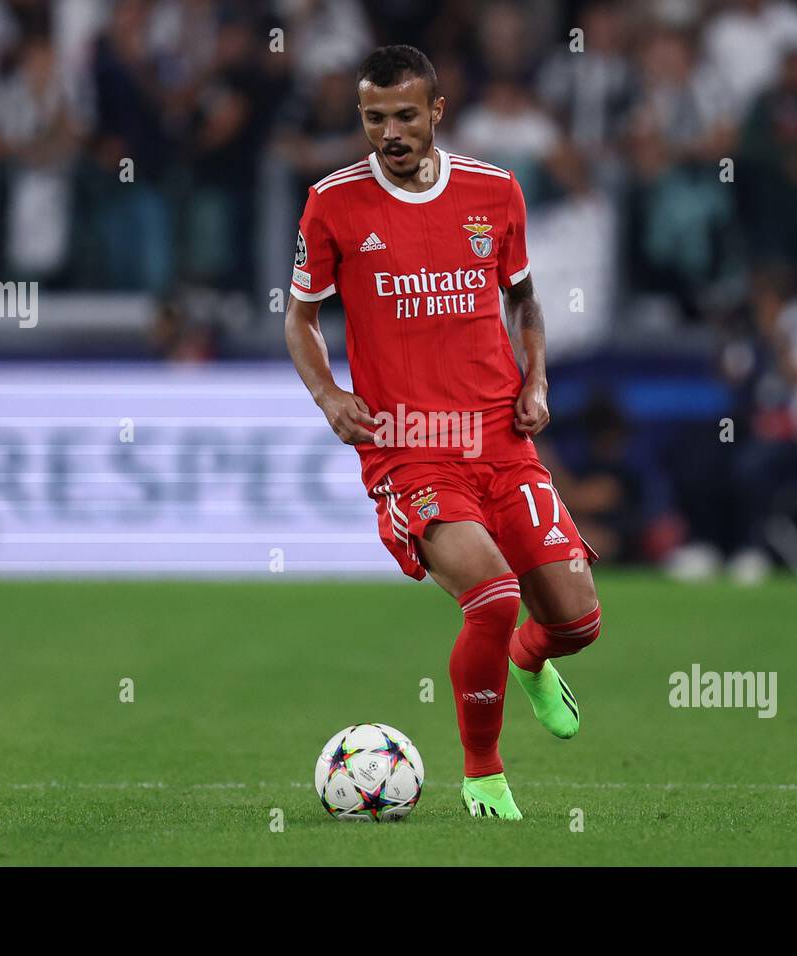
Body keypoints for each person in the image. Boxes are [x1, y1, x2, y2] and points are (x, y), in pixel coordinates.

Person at [284, 45, 602, 821]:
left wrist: (537, 380)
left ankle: (531, 661)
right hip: (408, 444)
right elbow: (300, 317)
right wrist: (329, 396)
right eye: (372, 118)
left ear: (435, 112)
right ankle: (483, 770)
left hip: (499, 435)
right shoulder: (332, 202)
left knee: (577, 622)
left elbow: (525, 300)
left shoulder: (496, 191)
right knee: (492, 595)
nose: (388, 132)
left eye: (402, 115)